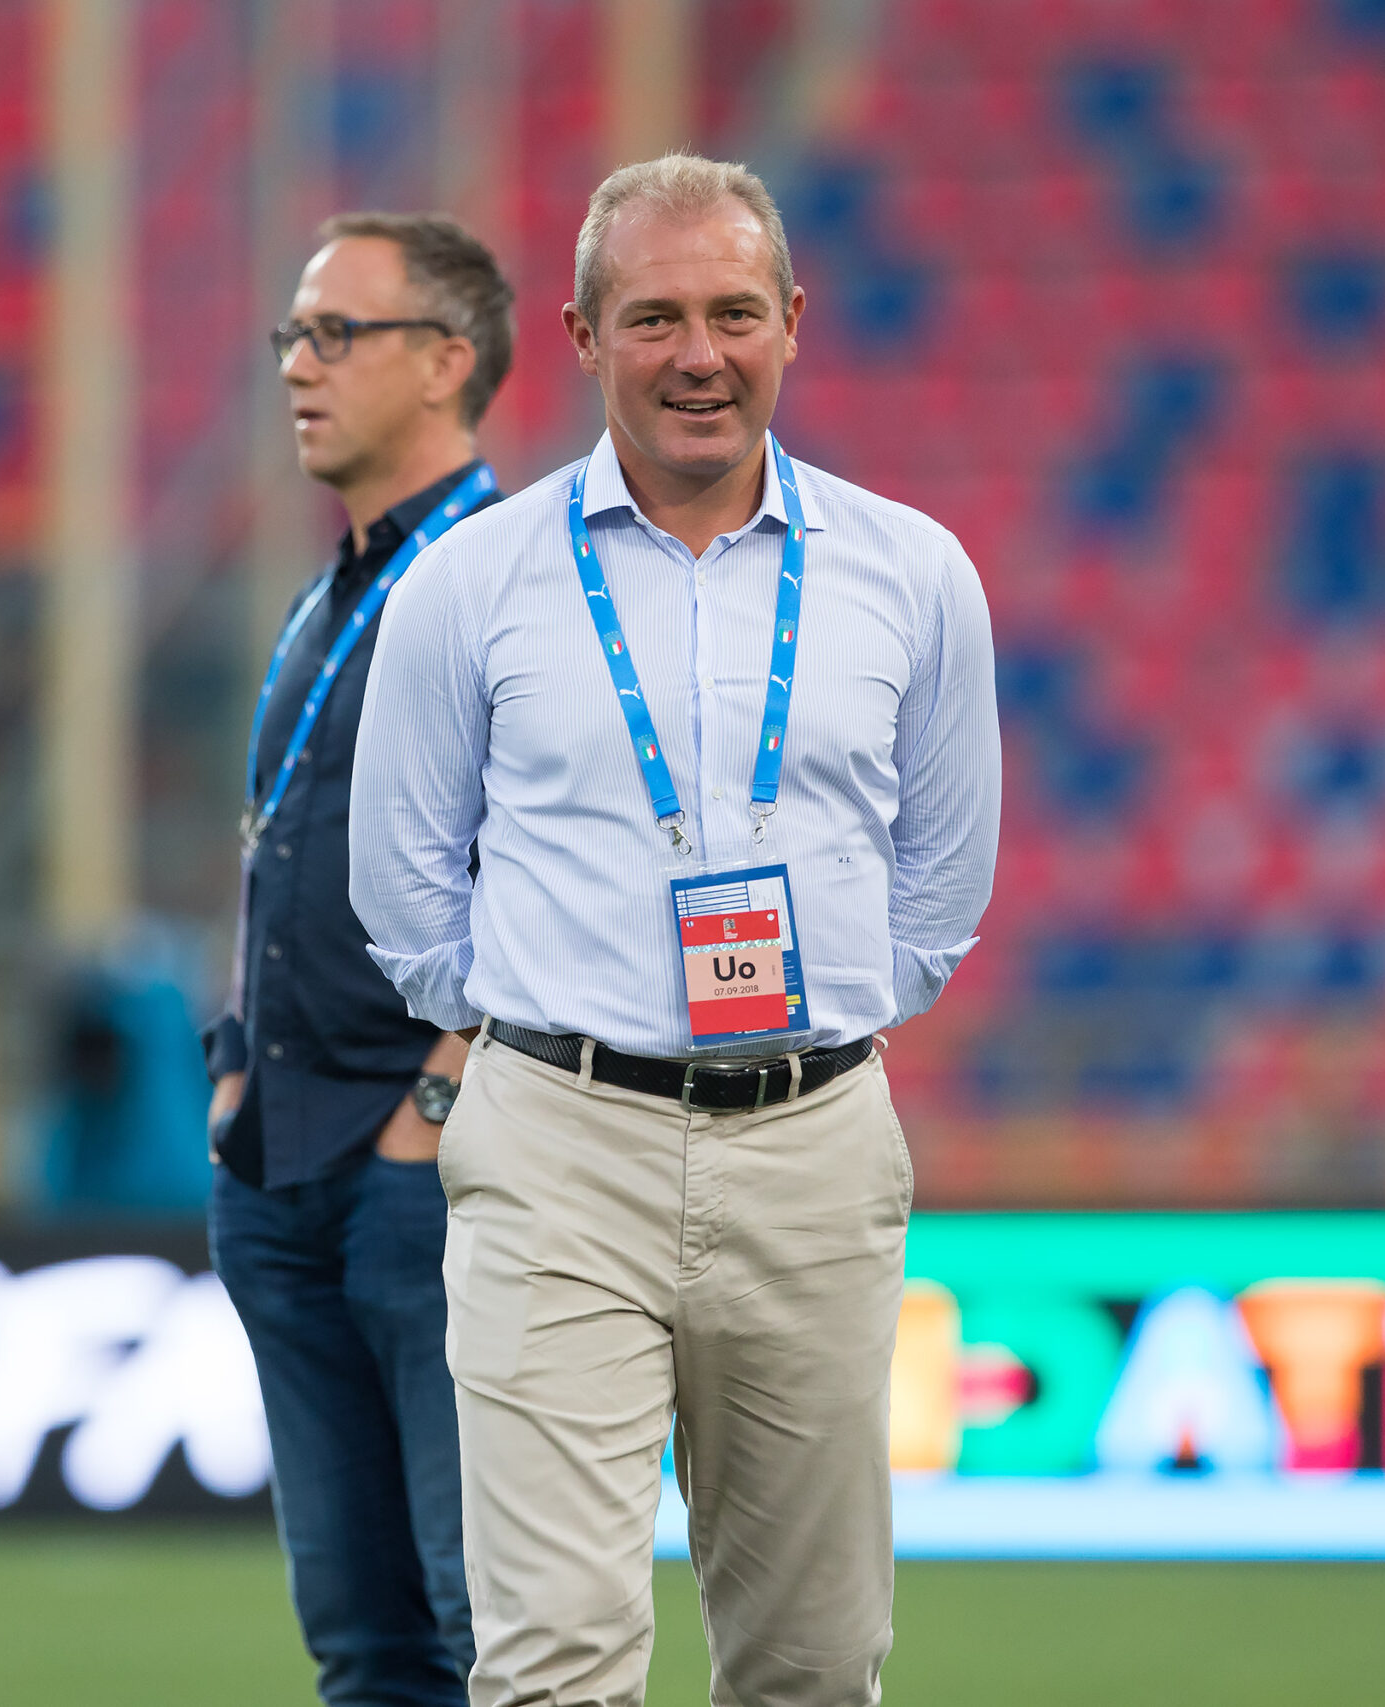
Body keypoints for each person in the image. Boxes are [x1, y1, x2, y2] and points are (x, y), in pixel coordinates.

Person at [350, 154, 1000, 1707]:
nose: (697, 353)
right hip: (558, 1146)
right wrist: (549, 1028)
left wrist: (809, 1029)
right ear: (581, 333)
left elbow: (944, 882)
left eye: (729, 313)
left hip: (812, 1142)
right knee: (554, 1661)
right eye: (652, 317)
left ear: (793, 322)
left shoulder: (913, 573)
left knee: (812, 1661)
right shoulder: (470, 580)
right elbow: (402, 884)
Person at [203, 211, 511, 1707]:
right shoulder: (338, 586)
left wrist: (433, 1111)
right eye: (292, 337)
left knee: (492, 1632)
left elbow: (561, 873)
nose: (298, 367)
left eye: (337, 333)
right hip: (286, 1159)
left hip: (424, 1176)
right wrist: (233, 1064)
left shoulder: (509, 581)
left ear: (448, 360)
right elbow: (273, 846)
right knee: (366, 1648)